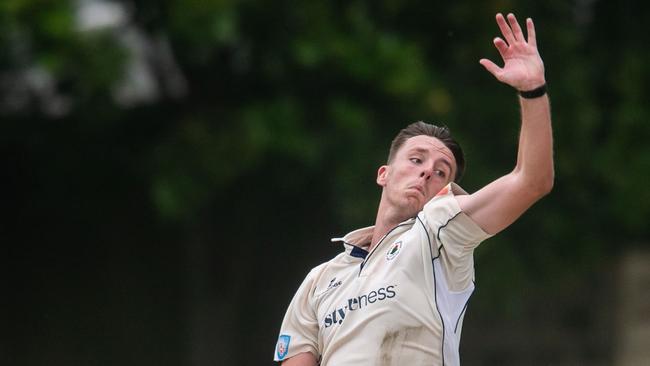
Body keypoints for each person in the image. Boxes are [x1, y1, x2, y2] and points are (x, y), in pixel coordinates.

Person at [273, 12, 553, 366]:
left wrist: (533, 91)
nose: (426, 173)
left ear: (446, 191)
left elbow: (532, 180)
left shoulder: (441, 231)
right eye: (416, 160)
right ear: (383, 174)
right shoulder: (321, 279)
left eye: (440, 172)